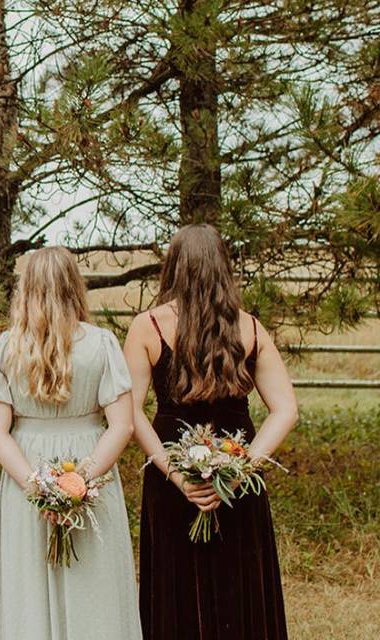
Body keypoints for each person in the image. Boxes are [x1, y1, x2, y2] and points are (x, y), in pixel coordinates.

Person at [123, 224, 297, 640]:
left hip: (172, 478)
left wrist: (174, 473)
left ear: (173, 268)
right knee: (239, 587)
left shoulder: (146, 327)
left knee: (176, 587)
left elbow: (130, 412)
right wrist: (241, 469)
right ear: (223, 267)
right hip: (234, 477)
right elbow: (285, 409)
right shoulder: (250, 327)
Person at [0, 246, 141, 640]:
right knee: (94, 584)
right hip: (90, 467)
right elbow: (121, 425)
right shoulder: (102, 344)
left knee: (30, 587)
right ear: (75, 286)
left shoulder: (6, 347)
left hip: (26, 474)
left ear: (26, 289)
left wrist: (37, 485)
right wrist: (77, 482)